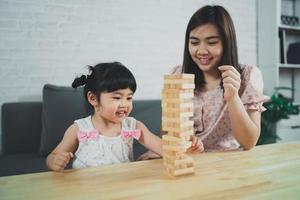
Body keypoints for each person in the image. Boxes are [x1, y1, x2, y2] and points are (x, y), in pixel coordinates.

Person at [140, 5, 266, 159]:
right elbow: (166, 133)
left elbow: (249, 142)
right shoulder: (178, 74)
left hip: (222, 160)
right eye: (194, 42)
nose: (201, 51)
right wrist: (182, 137)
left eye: (211, 42)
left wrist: (233, 97)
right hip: (184, 157)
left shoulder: (248, 75)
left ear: (227, 43)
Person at [46, 62, 203, 171]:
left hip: (122, 189)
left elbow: (162, 147)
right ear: (93, 98)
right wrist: (54, 162)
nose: (125, 104)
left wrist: (186, 148)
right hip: (86, 189)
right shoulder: (78, 129)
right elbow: (53, 156)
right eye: (117, 97)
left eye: (129, 97)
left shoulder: (133, 126)